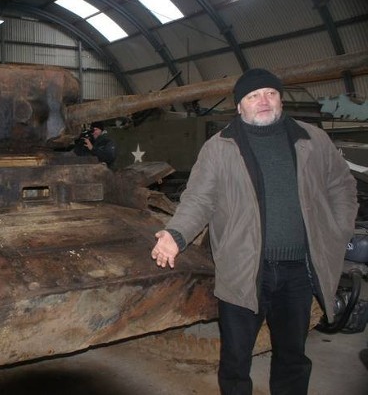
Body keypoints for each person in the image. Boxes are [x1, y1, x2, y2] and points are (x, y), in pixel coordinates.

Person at [150, 68, 358, 395]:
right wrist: (175, 234)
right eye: (253, 96)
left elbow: (342, 186)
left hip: (298, 272)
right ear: (239, 106)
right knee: (235, 360)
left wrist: (340, 228)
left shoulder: (312, 139)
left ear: (280, 98)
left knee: (293, 357)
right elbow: (199, 198)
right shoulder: (220, 148)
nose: (263, 101)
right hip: (244, 271)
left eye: (270, 93)